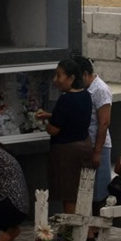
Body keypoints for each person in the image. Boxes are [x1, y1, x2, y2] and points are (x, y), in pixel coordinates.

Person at [35, 59, 93, 216]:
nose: (55, 80)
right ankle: (84, 227)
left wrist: (46, 124)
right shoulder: (86, 95)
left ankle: (71, 228)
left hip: (68, 152)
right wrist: (51, 115)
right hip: (84, 146)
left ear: (71, 78)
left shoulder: (65, 99)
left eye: (59, 75)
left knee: (69, 195)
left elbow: (54, 130)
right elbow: (73, 117)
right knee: (82, 193)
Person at [73, 55, 113, 212]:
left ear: (84, 74)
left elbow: (104, 122)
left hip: (98, 145)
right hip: (84, 144)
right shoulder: (83, 90)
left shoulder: (100, 90)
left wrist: (97, 151)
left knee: (99, 193)